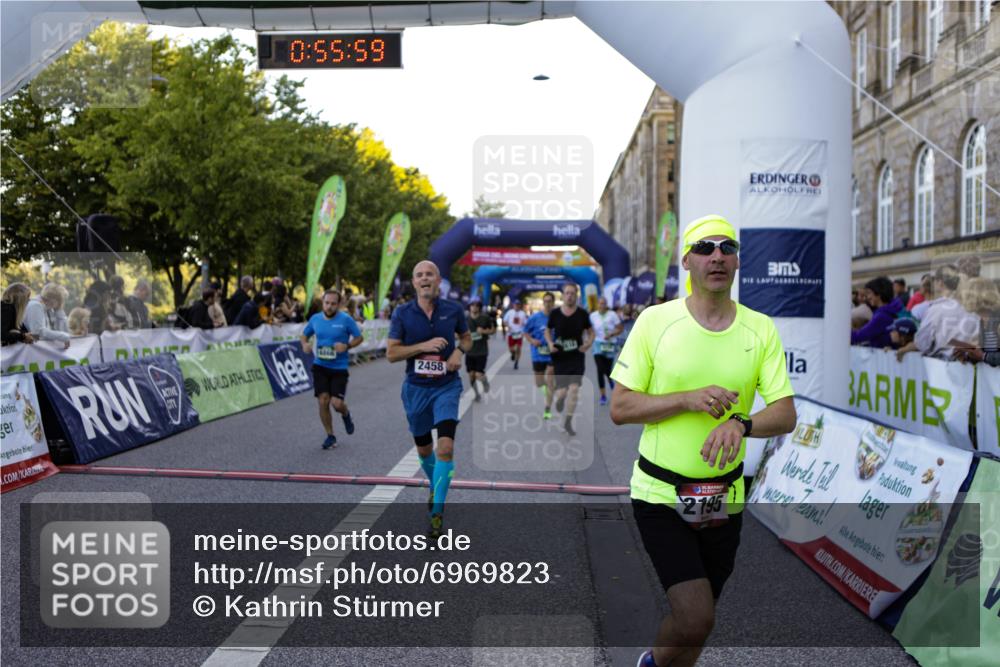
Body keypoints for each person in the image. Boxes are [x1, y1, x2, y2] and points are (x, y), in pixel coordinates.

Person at [609, 214, 796, 667]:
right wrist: (686, 399)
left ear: (737, 262)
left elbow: (785, 413)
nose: (717, 256)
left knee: (699, 625)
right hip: (660, 494)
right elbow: (621, 407)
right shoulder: (656, 322)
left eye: (727, 248)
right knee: (694, 618)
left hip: (725, 498)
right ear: (687, 261)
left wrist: (741, 424)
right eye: (705, 248)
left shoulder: (760, 328)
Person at [387, 260, 472, 541]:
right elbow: (391, 354)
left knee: (445, 448)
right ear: (414, 282)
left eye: (429, 274)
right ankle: (436, 484)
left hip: (446, 387)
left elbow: (467, 338)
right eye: (419, 275)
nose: (425, 278)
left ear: (438, 280)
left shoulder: (453, 310)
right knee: (425, 450)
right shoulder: (402, 313)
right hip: (416, 389)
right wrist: (423, 346)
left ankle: (437, 511)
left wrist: (458, 352)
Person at [301, 290, 364, 449]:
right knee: (323, 400)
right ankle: (330, 435)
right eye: (326, 303)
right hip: (320, 366)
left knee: (337, 404)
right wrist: (305, 344)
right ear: (323, 302)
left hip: (339, 368)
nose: (329, 306)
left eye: (333, 304)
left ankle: (346, 414)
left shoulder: (346, 319)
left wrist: (347, 346)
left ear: (339, 304)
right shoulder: (315, 319)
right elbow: (304, 335)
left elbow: (359, 337)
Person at [544, 282, 594, 436]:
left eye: (573, 293)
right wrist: (550, 343)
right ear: (563, 296)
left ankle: (568, 421)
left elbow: (591, 332)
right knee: (562, 392)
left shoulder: (582, 314)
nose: (570, 296)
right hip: (560, 357)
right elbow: (547, 330)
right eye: (567, 293)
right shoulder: (555, 313)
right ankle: (559, 399)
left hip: (576, 356)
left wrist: (588, 344)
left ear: (576, 296)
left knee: (574, 389)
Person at [912, 264, 979, 359]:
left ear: (940, 283)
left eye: (935, 280)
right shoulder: (973, 309)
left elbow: (922, 344)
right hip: (970, 363)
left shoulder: (935, 310)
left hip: (942, 363)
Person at [951, 277, 1000, 366]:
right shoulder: (983, 320)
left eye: (966, 296)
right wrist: (968, 356)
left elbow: (986, 356)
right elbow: (987, 354)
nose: (962, 300)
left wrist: (982, 356)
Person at [524, 291, 556, 419]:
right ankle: (547, 390)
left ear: (553, 303)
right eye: (546, 301)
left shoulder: (558, 317)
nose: (547, 304)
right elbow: (525, 332)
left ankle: (547, 409)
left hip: (552, 355)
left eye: (550, 301)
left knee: (550, 378)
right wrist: (532, 341)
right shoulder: (535, 318)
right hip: (538, 354)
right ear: (543, 302)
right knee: (539, 383)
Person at [590, 297, 624, 407]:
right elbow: (589, 330)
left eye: (604, 303)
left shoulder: (612, 315)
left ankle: (611, 382)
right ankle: (603, 396)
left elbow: (620, 328)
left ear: (606, 304)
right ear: (597, 304)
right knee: (600, 369)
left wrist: (612, 334)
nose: (602, 305)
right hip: (598, 344)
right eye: (600, 303)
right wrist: (590, 338)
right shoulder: (593, 316)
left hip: (610, 345)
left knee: (608, 370)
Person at [850, 277, 901, 347]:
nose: (867, 297)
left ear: (878, 294)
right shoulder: (889, 312)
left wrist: (841, 334)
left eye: (869, 293)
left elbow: (860, 336)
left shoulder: (881, 316)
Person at [465, 298, 495, 402]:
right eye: (472, 305)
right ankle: (476, 394)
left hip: (482, 351)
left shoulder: (485, 318)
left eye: (477, 305)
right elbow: (458, 332)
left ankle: (485, 382)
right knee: (471, 375)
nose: (474, 307)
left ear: (480, 307)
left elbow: (493, 330)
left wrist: (484, 331)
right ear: (469, 307)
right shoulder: (465, 319)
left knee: (478, 374)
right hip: (469, 351)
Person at [24, 283, 71, 348]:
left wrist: (59, 311)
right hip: (31, 349)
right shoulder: (35, 306)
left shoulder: (48, 308)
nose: (61, 303)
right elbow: (38, 332)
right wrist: (63, 336)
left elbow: (64, 331)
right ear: (54, 299)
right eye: (60, 300)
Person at [502, 300, 528, 369]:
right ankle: (513, 353)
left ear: (520, 305)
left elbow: (526, 323)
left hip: (519, 333)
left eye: (518, 304)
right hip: (511, 333)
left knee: (518, 348)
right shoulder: (510, 312)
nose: (517, 306)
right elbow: (504, 321)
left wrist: (524, 328)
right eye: (516, 304)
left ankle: (516, 362)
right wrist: (508, 326)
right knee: (511, 349)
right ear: (513, 305)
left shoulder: (523, 313)